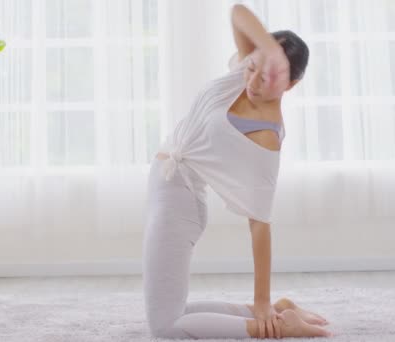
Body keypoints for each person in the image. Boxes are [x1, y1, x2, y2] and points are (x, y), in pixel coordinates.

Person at [142, 4, 333, 339]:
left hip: (180, 203)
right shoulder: (244, 76)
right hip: (164, 189)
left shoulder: (264, 137)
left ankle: (276, 325)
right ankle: (281, 311)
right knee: (171, 312)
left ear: (292, 83)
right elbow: (237, 12)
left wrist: (262, 301)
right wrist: (268, 51)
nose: (255, 82)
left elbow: (259, 223)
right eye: (253, 67)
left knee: (165, 327)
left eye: (270, 76)